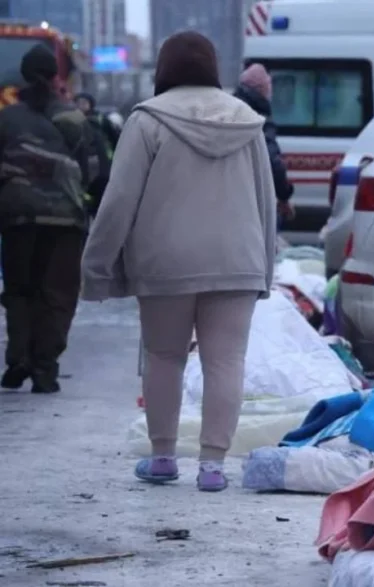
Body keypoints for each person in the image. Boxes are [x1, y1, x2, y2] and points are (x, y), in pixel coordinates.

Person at [80, 30, 277, 492]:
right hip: (237, 260)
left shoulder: (147, 120)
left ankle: (163, 457)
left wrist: (96, 267)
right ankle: (213, 466)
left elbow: (118, 200)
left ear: (164, 68)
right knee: (226, 361)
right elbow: (265, 200)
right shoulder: (246, 121)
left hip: (164, 263)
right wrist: (264, 269)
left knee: (164, 357)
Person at [0, 44, 93, 394]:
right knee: (57, 294)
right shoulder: (73, 118)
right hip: (65, 221)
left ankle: (19, 356)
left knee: (19, 289)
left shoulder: (7, 118)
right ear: (56, 76)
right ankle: (44, 368)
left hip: (18, 217)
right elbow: (94, 170)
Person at [232, 63, 294, 224]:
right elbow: (273, 163)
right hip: (252, 198)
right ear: (261, 89)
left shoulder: (232, 110)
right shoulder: (260, 119)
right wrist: (284, 196)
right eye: (268, 88)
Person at [72, 92, 115, 214]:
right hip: (83, 163)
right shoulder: (73, 120)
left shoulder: (101, 119)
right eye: (78, 103)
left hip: (103, 163)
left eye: (84, 103)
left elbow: (115, 137)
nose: (81, 105)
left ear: (91, 104)